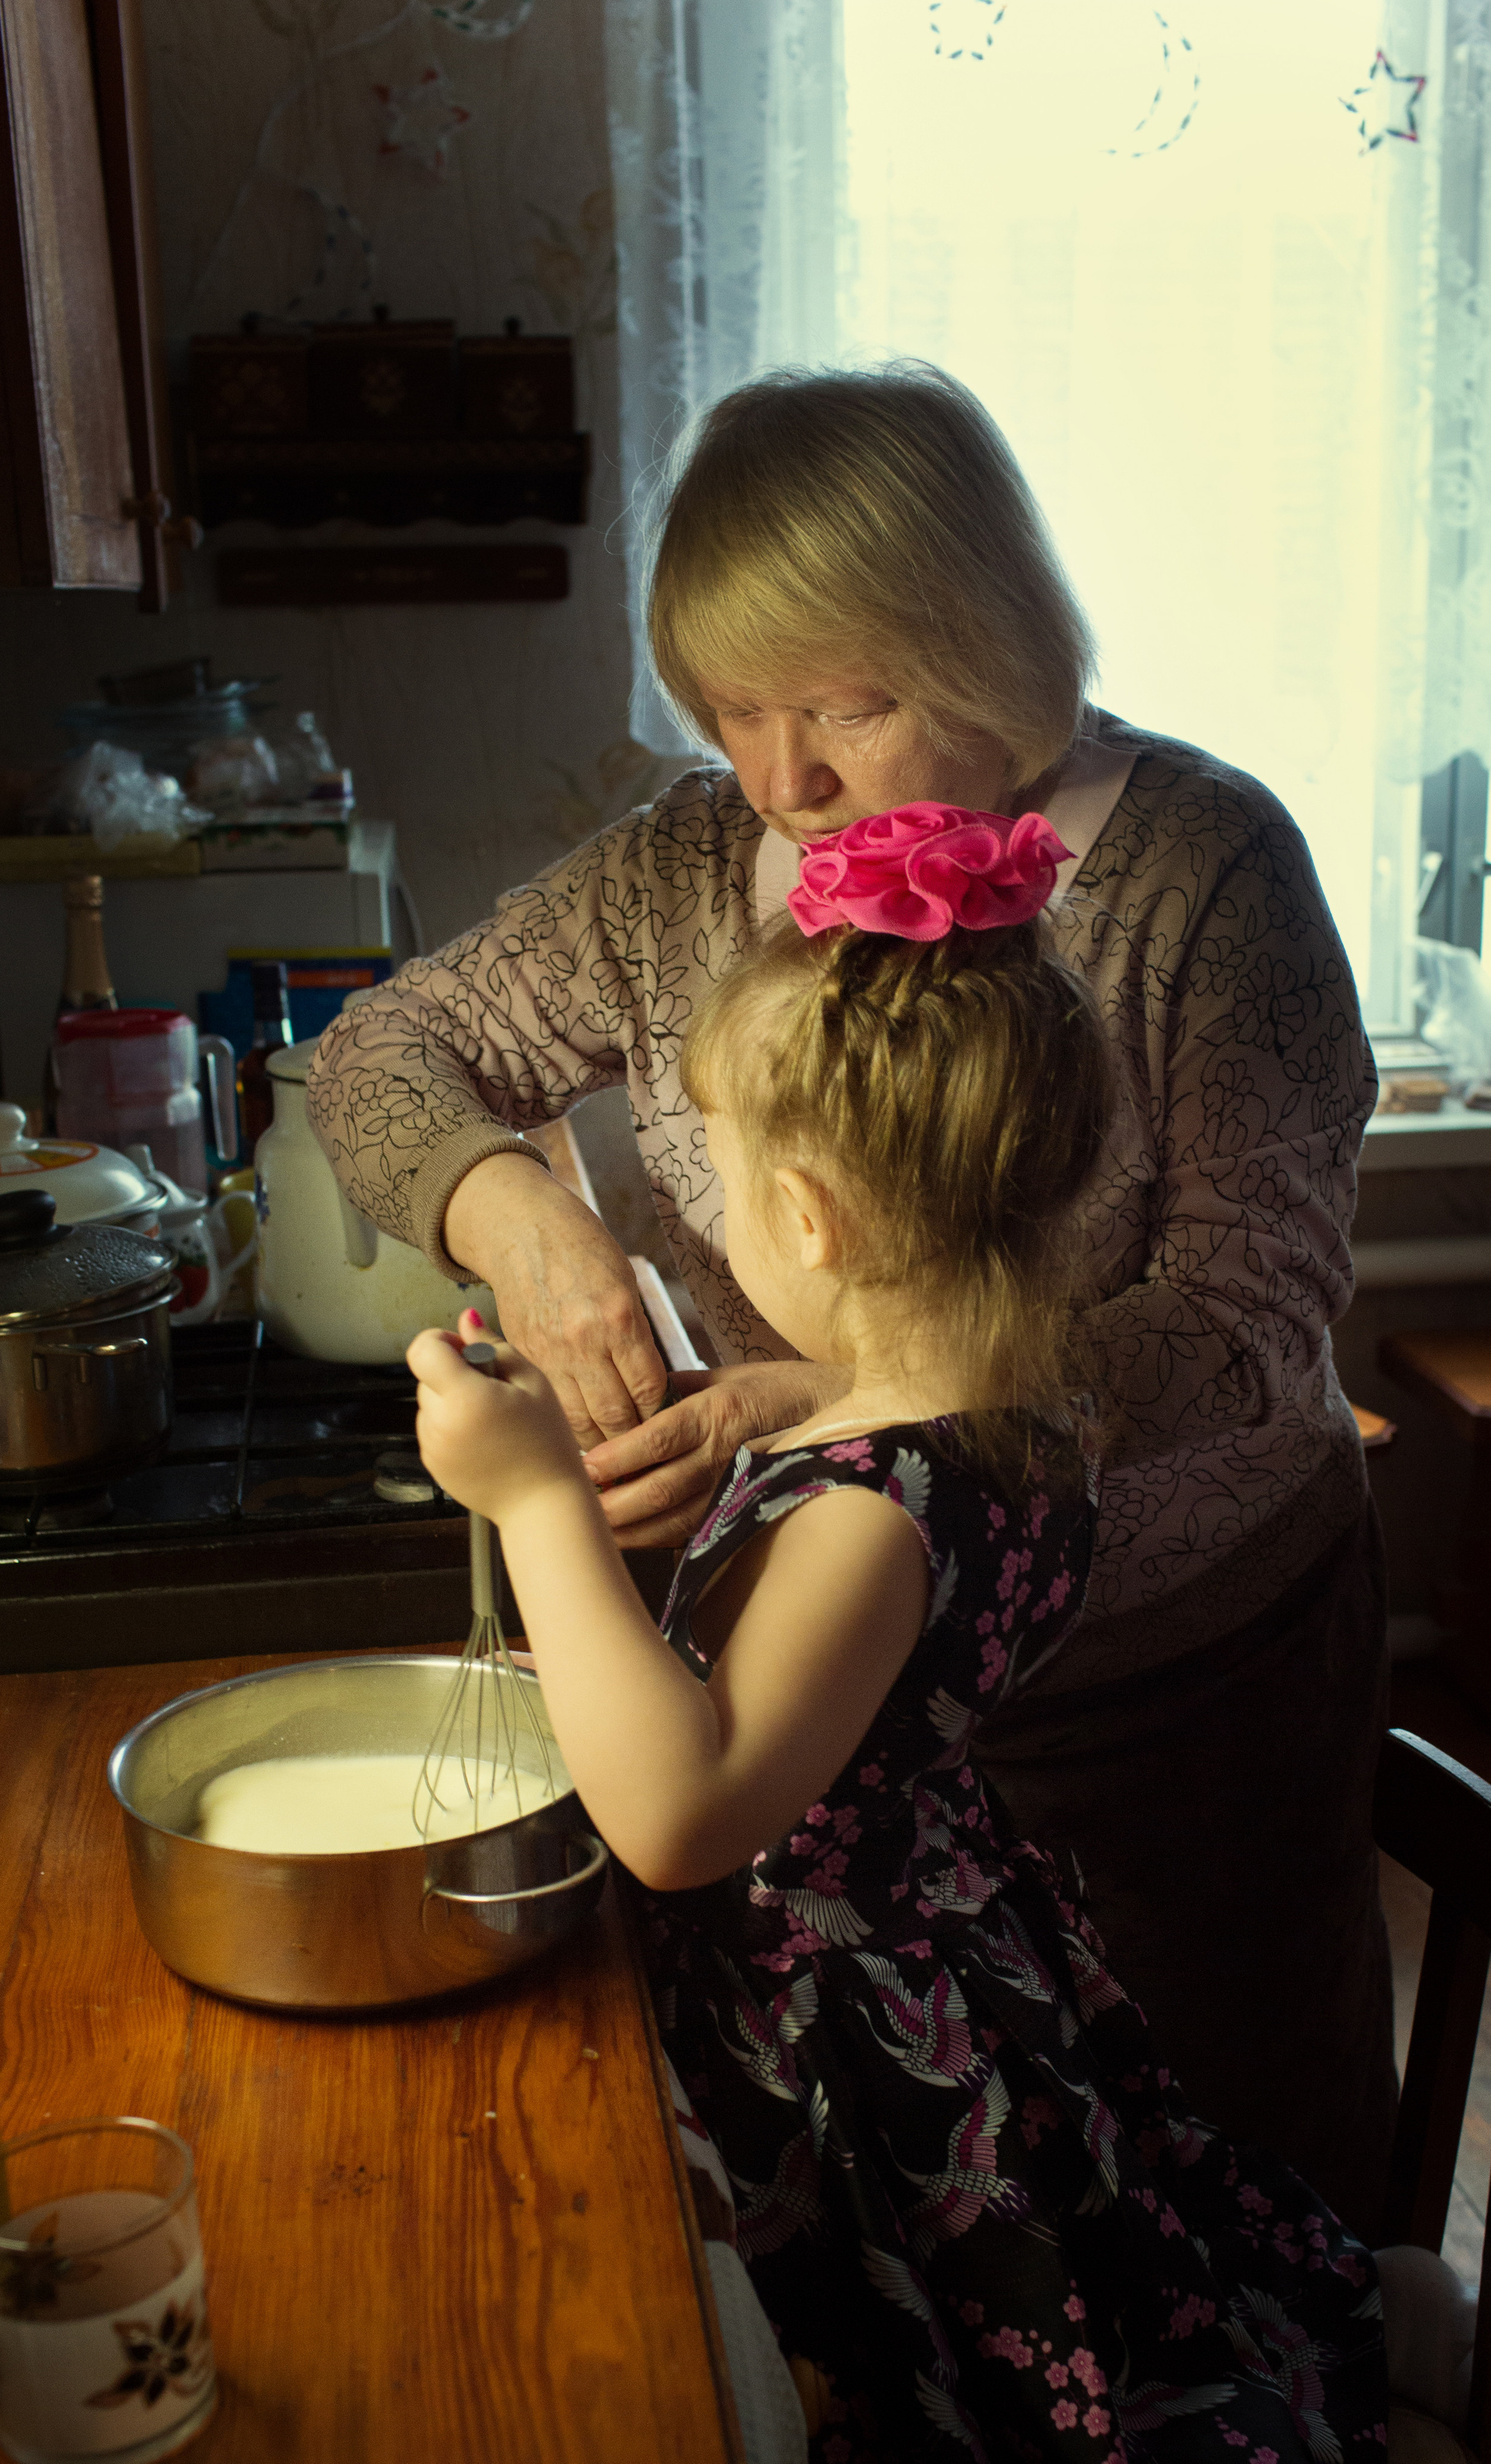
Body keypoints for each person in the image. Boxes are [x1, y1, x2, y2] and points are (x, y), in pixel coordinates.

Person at [308, 363, 1392, 2230]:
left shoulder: (1203, 874)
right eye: (734, 710)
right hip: (849, 1694)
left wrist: (838, 1403)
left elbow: (1244, 1322)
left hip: (1176, 1694)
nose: (782, 780)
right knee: (980, 2203)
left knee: (1234, 2200)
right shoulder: (678, 871)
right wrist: (527, 1224)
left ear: (993, 645)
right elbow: (382, 1053)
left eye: (845, 706)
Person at [405, 819, 1388, 2464]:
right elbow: (799, 1709)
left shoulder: (870, 1508)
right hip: (954, 1928)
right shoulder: (1020, 1412)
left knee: (903, 2397)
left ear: (804, 1215)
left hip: (845, 2034)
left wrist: (534, 1506)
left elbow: (685, 1816)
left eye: (725, 1175)